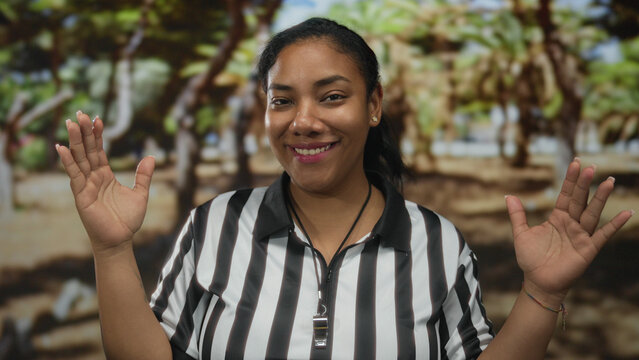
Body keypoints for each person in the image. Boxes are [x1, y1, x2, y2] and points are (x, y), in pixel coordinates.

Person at [56, 18, 632, 360]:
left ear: (374, 105)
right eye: (282, 100)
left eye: (332, 96)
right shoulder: (217, 224)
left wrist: (541, 293)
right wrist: (111, 250)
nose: (302, 121)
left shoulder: (437, 242)